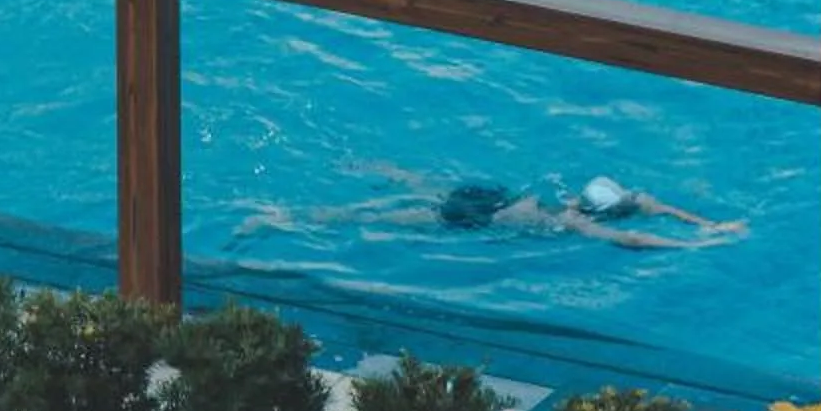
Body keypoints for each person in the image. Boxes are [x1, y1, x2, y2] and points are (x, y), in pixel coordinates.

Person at [236, 164, 745, 254]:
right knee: (386, 220)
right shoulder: (571, 221)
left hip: (496, 195)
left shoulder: (567, 202)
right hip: (485, 218)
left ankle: (391, 173)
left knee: (423, 194)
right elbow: (635, 238)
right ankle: (285, 219)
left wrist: (710, 226)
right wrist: (695, 241)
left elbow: (658, 208)